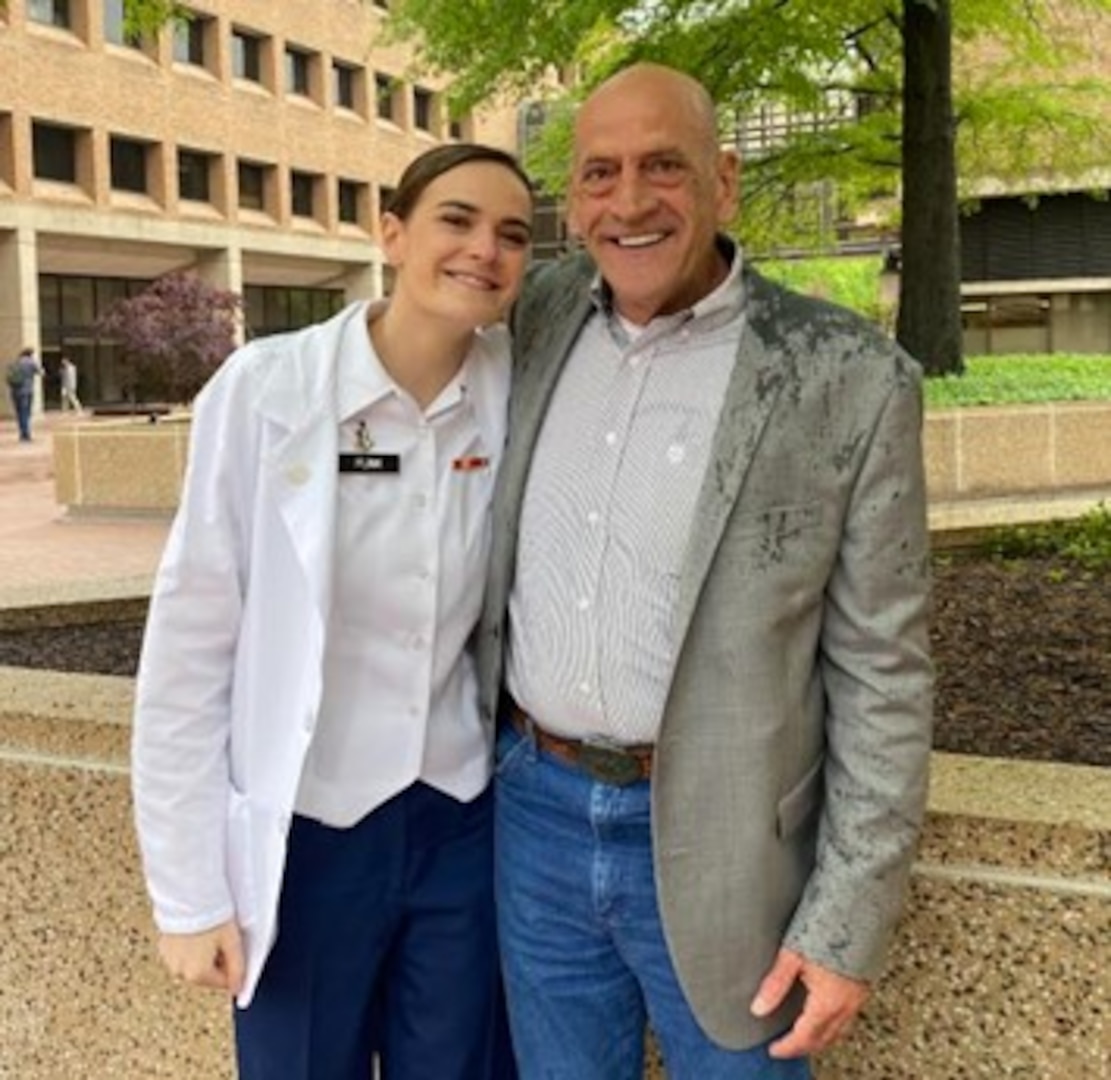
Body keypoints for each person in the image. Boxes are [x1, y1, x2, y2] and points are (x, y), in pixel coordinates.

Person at [478, 63, 934, 1079]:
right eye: (599, 173)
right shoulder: (535, 319)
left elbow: (883, 674)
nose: (628, 202)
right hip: (533, 817)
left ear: (723, 181)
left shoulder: (847, 378)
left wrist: (849, 918)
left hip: (732, 850)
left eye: (662, 167)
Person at [131, 142, 533, 1080]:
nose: (485, 249)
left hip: (458, 826)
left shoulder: (515, 391)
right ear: (391, 233)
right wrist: (187, 895)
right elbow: (191, 645)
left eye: (512, 234)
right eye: (457, 220)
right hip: (307, 833)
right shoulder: (267, 390)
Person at [7, 346, 42, 441]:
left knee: (19, 413)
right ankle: (26, 434)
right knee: (25, 412)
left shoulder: (16, 362)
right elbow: (41, 372)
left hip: (15, 391)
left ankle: (22, 432)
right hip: (27, 391)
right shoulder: (31, 362)